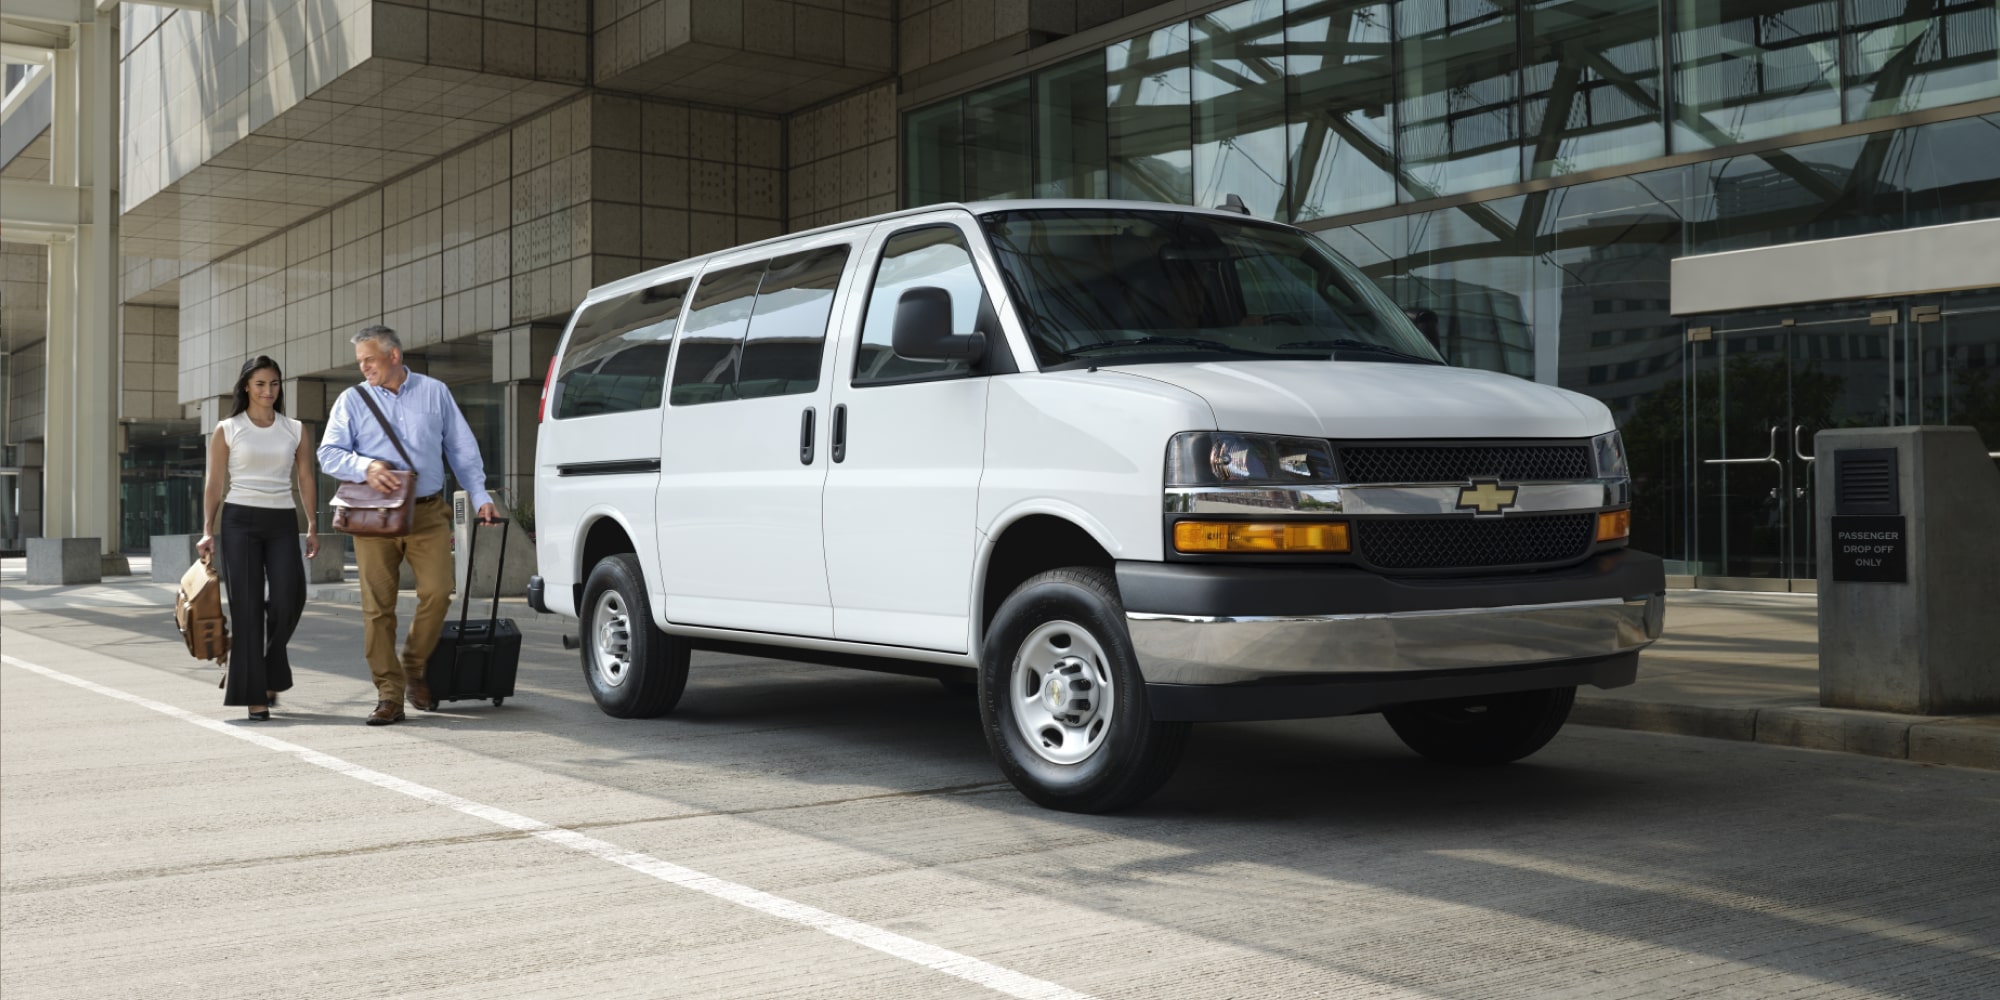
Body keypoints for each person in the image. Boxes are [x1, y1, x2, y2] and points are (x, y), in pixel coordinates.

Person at [318, 325, 497, 726]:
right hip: (373, 514)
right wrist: (367, 466)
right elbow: (328, 454)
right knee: (377, 609)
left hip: (427, 512)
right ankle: (389, 695)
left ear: (394, 356)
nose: (364, 368)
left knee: (438, 591)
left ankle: (413, 665)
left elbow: (461, 448)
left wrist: (479, 495)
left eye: (369, 359)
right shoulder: (352, 400)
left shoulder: (435, 393)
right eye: (360, 362)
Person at [198, 355, 319, 721]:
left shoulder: (295, 429)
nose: (269, 391)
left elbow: (306, 479)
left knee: (288, 598)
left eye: (274, 384)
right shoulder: (228, 428)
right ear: (247, 387)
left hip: (282, 520)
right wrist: (207, 529)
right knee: (247, 609)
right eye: (261, 384)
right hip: (239, 521)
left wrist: (312, 524)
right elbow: (215, 482)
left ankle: (263, 667)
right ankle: (255, 694)